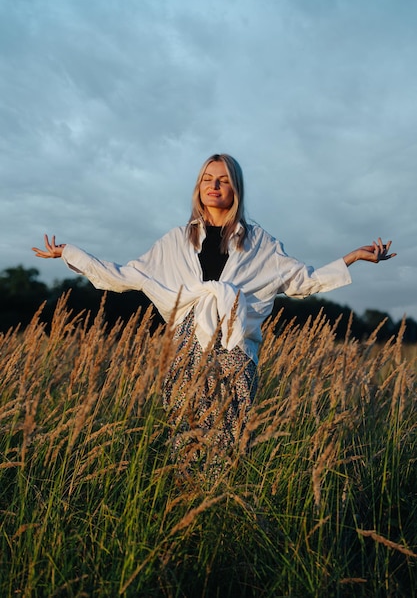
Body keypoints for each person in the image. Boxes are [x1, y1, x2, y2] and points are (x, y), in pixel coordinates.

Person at [32, 153, 396, 463]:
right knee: (185, 435)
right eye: (207, 178)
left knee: (229, 436)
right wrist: (70, 253)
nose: (214, 185)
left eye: (223, 179)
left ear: (235, 188)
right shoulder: (176, 240)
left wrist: (353, 258)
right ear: (199, 187)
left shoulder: (259, 243)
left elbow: (301, 280)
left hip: (235, 346)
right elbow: (127, 275)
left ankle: (222, 510)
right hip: (185, 346)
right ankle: (188, 506)